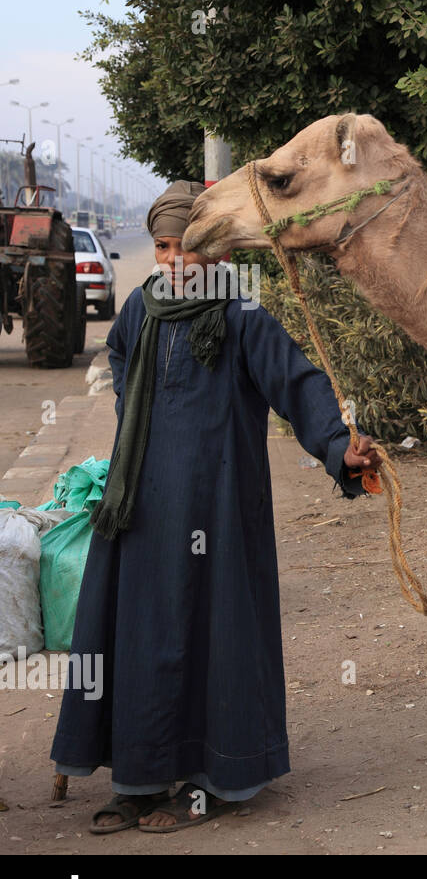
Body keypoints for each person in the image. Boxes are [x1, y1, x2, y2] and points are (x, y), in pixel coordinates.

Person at [50, 180, 379, 833]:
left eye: (185, 246)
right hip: (142, 507)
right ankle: (139, 781)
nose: (172, 260)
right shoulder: (140, 309)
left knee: (212, 634)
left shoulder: (242, 315)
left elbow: (297, 382)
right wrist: (132, 420)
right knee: (140, 634)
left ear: (217, 250)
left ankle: (213, 783)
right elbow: (119, 355)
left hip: (219, 507)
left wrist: (338, 445)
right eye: (162, 247)